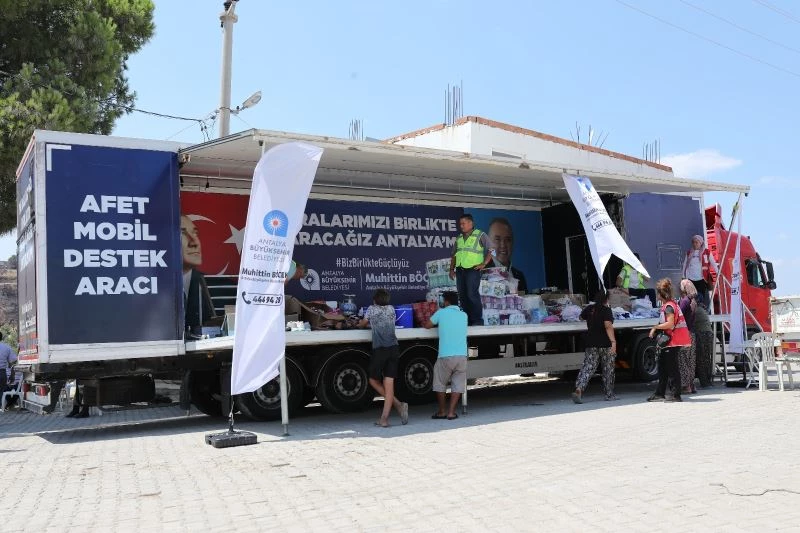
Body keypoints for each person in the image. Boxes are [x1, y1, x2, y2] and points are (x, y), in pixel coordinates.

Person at [357, 289, 409, 428]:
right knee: (389, 383)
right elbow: (382, 322)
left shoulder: (371, 310)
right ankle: (386, 418)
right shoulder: (391, 309)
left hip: (380, 350)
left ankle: (398, 405)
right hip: (394, 348)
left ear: (374, 300)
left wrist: (357, 324)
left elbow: (362, 324)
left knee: (373, 380)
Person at [424, 291, 468, 420]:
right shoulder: (464, 315)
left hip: (445, 356)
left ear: (447, 301)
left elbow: (427, 325)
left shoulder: (441, 313)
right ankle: (451, 412)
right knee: (457, 385)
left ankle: (442, 411)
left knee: (440, 383)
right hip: (461, 356)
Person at [647, 278, 692, 403]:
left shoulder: (669, 307)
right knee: (663, 367)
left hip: (673, 340)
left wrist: (655, 327)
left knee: (672, 367)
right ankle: (660, 393)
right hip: (671, 340)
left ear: (661, 294)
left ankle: (675, 395)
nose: (656, 295)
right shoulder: (671, 304)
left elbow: (670, 324)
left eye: (657, 293)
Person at [572, 290, 617, 404]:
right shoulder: (606, 310)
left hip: (591, 343)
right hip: (605, 344)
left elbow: (581, 317)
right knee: (608, 369)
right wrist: (613, 342)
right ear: (606, 299)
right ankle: (609, 394)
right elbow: (608, 326)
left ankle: (579, 389)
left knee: (588, 368)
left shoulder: (590, 308)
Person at [449, 214, 494, 326]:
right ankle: (467, 320)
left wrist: (484, 263)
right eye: (460, 224)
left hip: (473, 269)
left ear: (471, 223)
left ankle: (477, 321)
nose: (461, 226)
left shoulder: (480, 235)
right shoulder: (459, 238)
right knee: (463, 296)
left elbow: (492, 250)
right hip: (460, 270)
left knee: (471, 294)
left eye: (463, 223)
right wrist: (451, 269)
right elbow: (454, 255)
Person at [181, 215, 216, 336]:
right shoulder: (150, 287)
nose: (194, 242)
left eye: (195, 233)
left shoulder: (218, 287)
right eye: (182, 233)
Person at [487, 217, 528, 294]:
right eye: (497, 239)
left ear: (512, 243)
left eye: (508, 240)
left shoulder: (519, 276)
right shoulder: (479, 275)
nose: (503, 245)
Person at [682, 235, 718, 308]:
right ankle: (693, 312)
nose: (695, 244)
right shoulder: (689, 252)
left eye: (696, 242)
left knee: (700, 296)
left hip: (702, 278)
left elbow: (713, 263)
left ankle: (700, 311)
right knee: (691, 296)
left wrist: (718, 272)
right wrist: (683, 276)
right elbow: (685, 264)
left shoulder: (707, 252)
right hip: (690, 278)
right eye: (693, 242)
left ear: (701, 243)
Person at [678, 279, 698, 394]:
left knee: (683, 360)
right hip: (692, 333)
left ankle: (686, 386)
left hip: (684, 334)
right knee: (691, 360)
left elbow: (679, 316)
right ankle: (691, 384)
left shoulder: (684, 301)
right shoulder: (693, 301)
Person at [693, 301, 715, 389]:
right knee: (706, 358)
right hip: (708, 334)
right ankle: (708, 381)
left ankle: (705, 382)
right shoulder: (701, 309)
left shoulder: (695, 310)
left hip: (702, 334)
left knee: (701, 359)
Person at [0, 331, 18, 399]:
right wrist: (12, 375)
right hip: (2, 374)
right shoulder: (6, 347)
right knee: (1, 392)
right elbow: (13, 362)